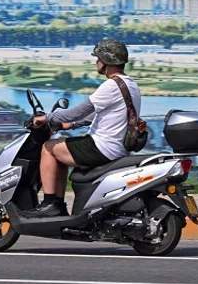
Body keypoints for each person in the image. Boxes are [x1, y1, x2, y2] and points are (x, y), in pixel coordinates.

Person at [23, 38, 141, 218]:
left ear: (106, 62)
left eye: (98, 59)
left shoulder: (110, 86)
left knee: (48, 148)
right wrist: (70, 125)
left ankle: (49, 203)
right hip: (117, 147)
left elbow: (78, 111)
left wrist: (45, 118)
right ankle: (58, 205)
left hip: (102, 147)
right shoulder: (130, 84)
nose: (96, 62)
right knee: (59, 153)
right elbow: (98, 115)